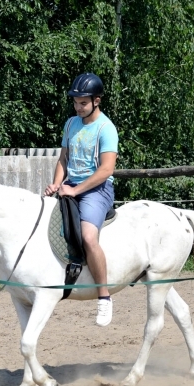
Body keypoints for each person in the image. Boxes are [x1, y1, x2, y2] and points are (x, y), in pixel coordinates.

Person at [45, 73, 118, 326]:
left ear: (96, 101)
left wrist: (75, 191)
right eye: (75, 102)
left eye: (83, 103)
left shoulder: (106, 129)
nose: (78, 107)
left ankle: (104, 297)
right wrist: (56, 183)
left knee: (88, 236)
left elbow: (106, 170)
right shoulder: (70, 124)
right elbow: (63, 159)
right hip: (69, 186)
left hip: (97, 189)